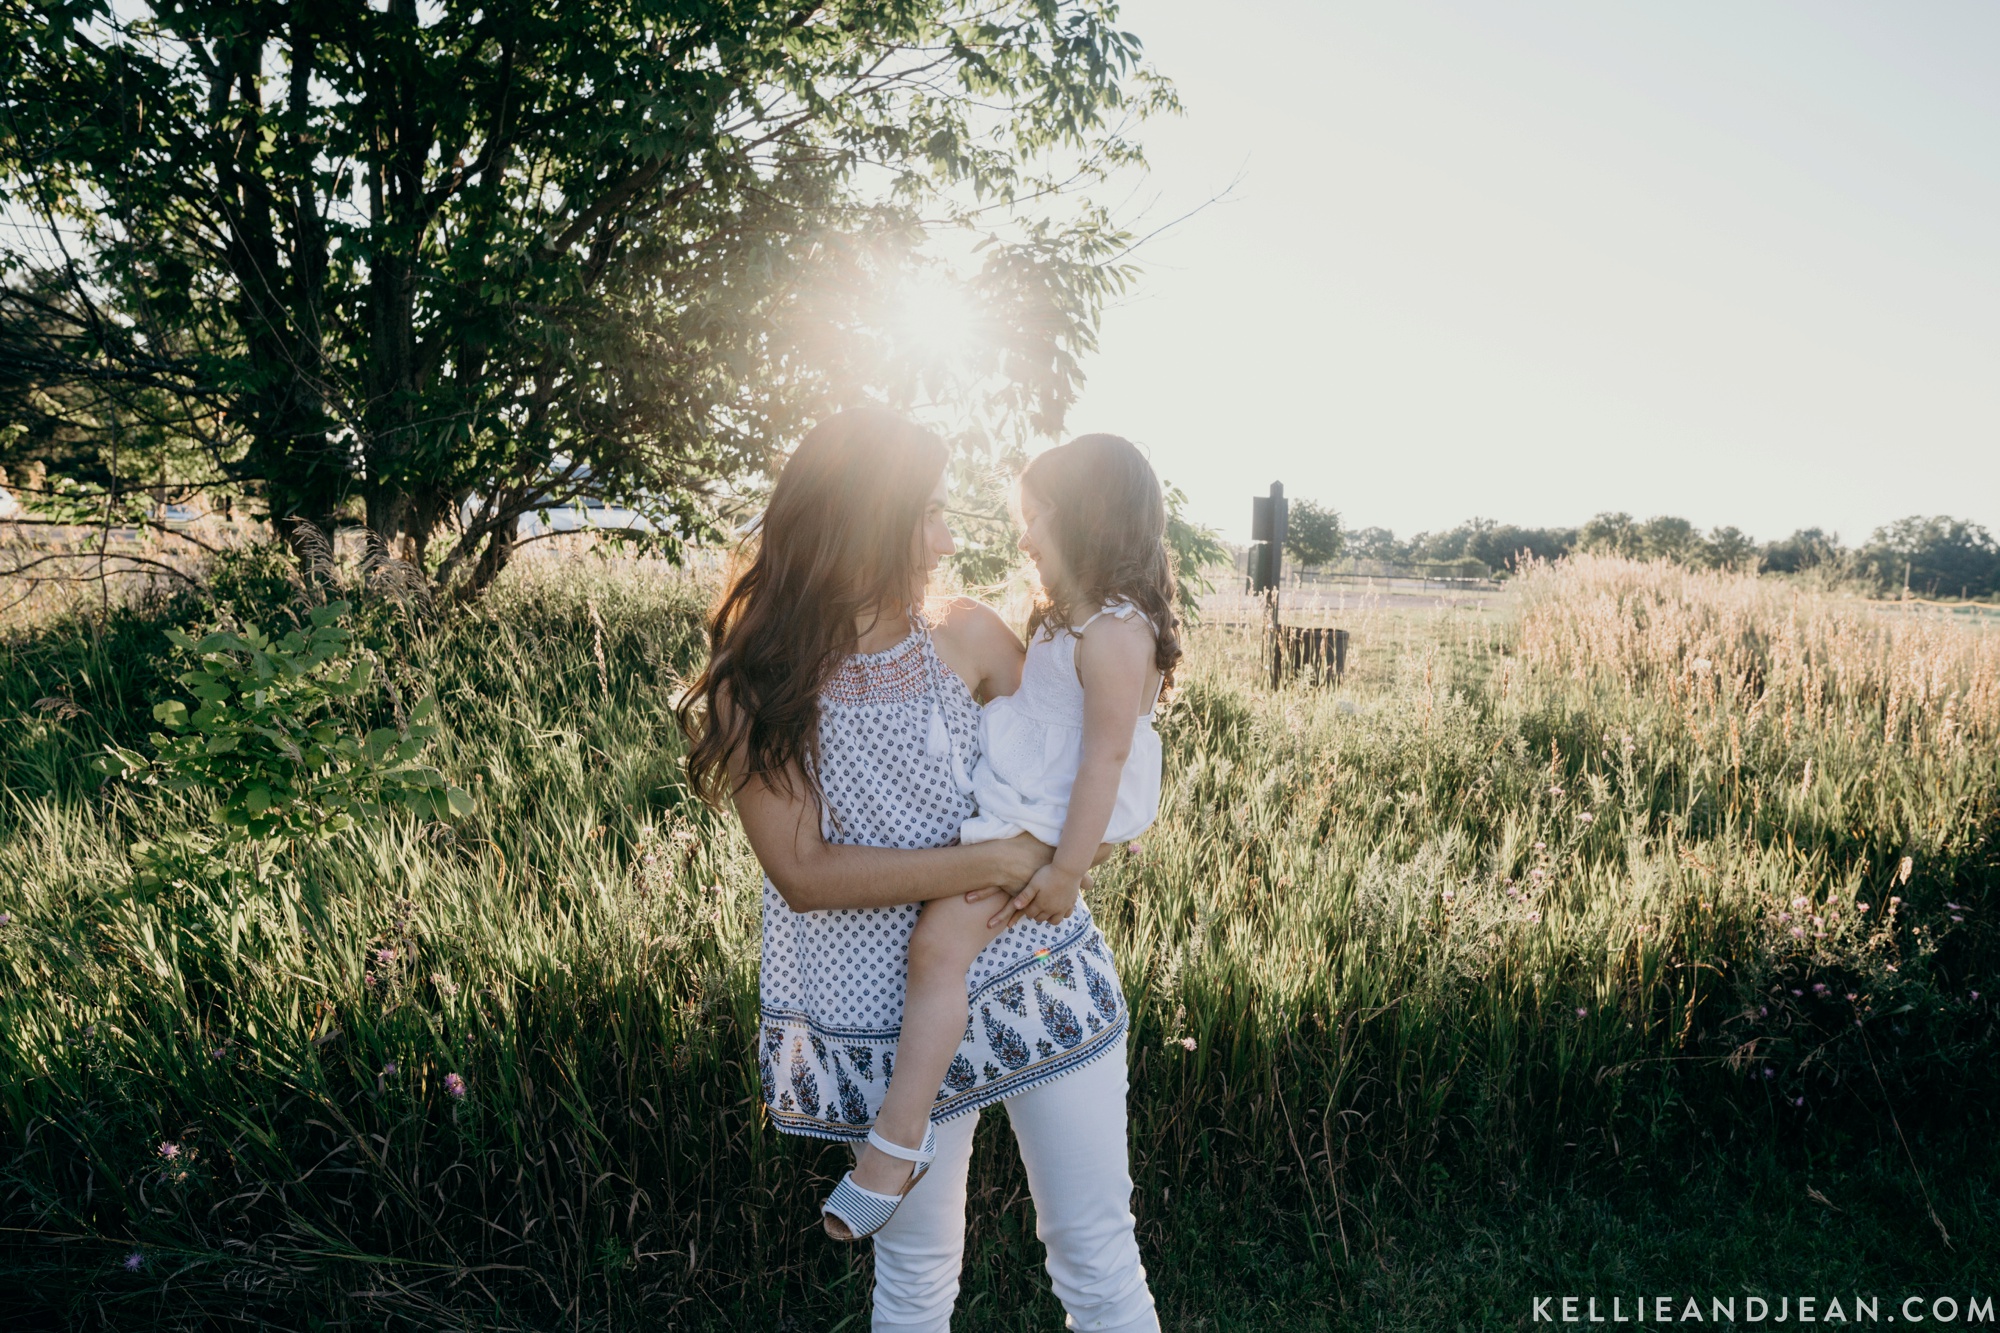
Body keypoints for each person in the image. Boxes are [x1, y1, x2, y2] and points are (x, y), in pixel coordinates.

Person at [677, 410, 1160, 1333]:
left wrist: (1067, 860)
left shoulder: (967, 636)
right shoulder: (758, 683)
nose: (946, 538)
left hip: (1036, 976)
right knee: (913, 1282)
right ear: (864, 519)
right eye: (927, 512)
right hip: (891, 1017)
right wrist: (994, 859)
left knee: (1096, 1257)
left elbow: (1083, 759)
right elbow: (804, 873)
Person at [821, 434, 1178, 1249]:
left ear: (1086, 521)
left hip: (1045, 821)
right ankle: (903, 1136)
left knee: (938, 945)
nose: (1024, 539)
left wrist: (1065, 870)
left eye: (1037, 520)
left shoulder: (1120, 633)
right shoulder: (1073, 624)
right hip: (1025, 808)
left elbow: (1105, 759)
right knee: (938, 950)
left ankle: (898, 1141)